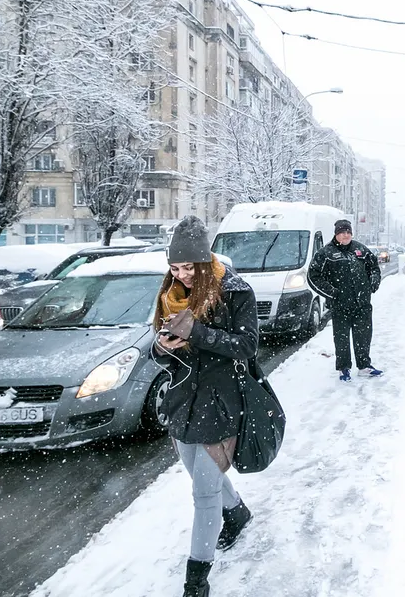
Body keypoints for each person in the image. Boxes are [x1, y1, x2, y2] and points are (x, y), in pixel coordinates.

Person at [153, 215, 259, 597]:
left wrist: (195, 332)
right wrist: (163, 347)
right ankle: (239, 513)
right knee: (201, 477)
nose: (181, 275)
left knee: (204, 493)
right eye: (174, 267)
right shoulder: (170, 295)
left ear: (204, 260)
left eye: (188, 267)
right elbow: (158, 352)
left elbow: (247, 347)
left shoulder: (234, 291)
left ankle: (196, 582)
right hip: (184, 403)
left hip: (223, 404)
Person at [308, 219, 383, 382]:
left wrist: (373, 283)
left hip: (362, 304)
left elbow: (374, 267)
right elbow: (313, 276)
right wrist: (332, 292)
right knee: (341, 338)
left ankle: (364, 366)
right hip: (340, 305)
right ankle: (344, 368)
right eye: (343, 232)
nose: (346, 235)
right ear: (336, 234)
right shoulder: (326, 253)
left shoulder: (361, 249)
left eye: (348, 232)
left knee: (363, 335)